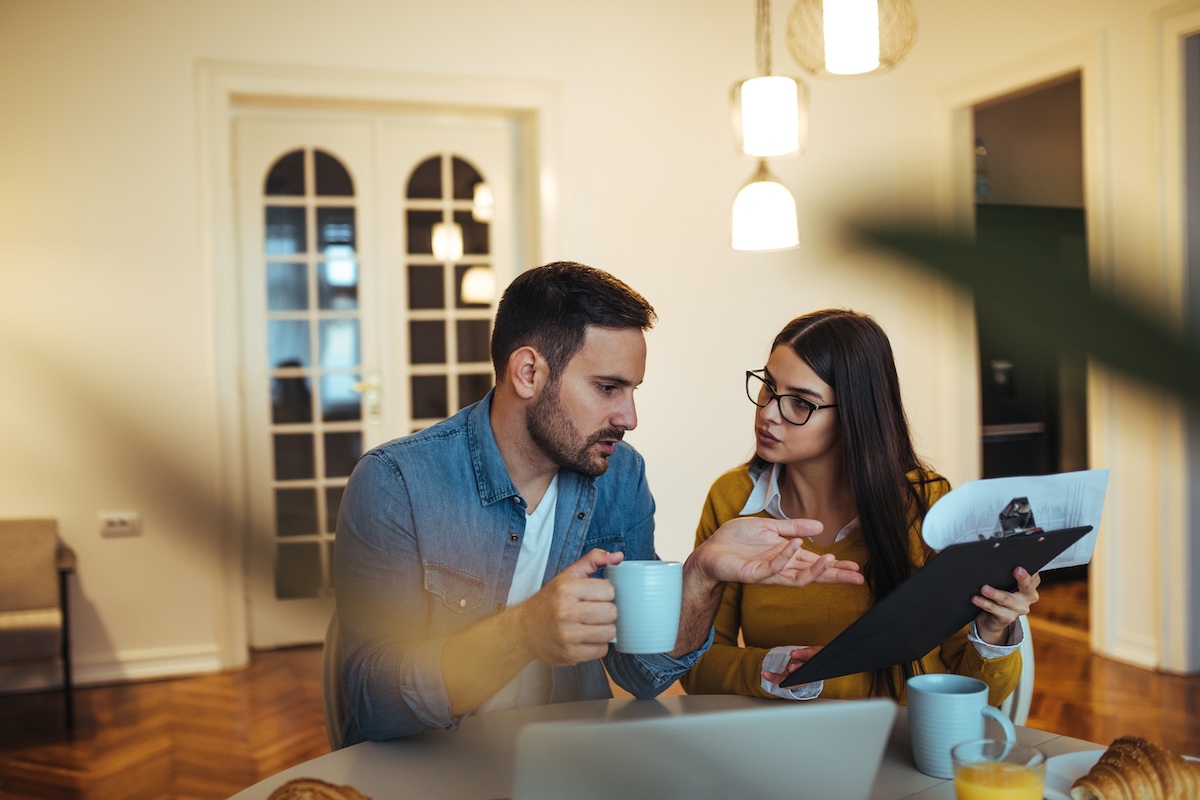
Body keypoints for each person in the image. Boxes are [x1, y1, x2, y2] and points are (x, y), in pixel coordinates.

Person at [334, 263, 863, 744]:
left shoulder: (619, 475)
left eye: (632, 389)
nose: (630, 417)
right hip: (431, 773)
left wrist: (702, 576)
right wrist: (522, 634)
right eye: (608, 387)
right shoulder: (396, 483)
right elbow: (374, 704)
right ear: (528, 373)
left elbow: (643, 672)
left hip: (568, 765)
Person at [679, 309, 1039, 706]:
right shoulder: (732, 499)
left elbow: (979, 696)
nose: (767, 412)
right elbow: (695, 667)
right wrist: (775, 669)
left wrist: (993, 629)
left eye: (800, 402)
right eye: (767, 385)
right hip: (787, 744)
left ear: (855, 413)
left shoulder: (926, 502)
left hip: (905, 745)